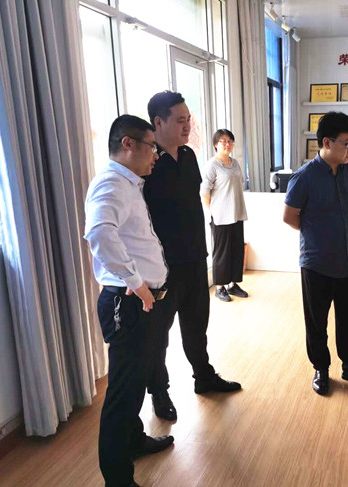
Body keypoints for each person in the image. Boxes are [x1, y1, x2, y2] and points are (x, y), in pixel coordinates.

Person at [84, 114, 174, 487]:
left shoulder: (128, 183)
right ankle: (118, 479)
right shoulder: (111, 183)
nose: (156, 155)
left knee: (135, 383)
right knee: (123, 393)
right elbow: (99, 233)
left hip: (140, 301)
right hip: (128, 302)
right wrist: (137, 284)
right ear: (128, 144)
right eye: (151, 147)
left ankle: (134, 441)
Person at [143, 91, 241, 422]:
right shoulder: (147, 162)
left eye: (189, 120)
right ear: (159, 122)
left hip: (196, 258)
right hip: (163, 267)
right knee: (159, 334)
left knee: (197, 324)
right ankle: (159, 392)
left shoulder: (187, 155)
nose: (188, 126)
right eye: (181, 120)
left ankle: (204, 376)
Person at [283, 111, 348, 396]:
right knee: (317, 323)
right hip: (317, 264)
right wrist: (318, 234)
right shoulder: (304, 178)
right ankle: (321, 369)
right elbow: (289, 217)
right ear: (327, 142)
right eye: (347, 143)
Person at [201, 129, 249, 302]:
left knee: (236, 250)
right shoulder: (212, 165)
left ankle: (233, 285)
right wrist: (213, 211)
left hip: (237, 213)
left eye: (229, 141)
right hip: (220, 216)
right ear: (216, 144)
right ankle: (220, 287)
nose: (227, 144)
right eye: (222, 141)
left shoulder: (235, 163)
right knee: (222, 253)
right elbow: (204, 193)